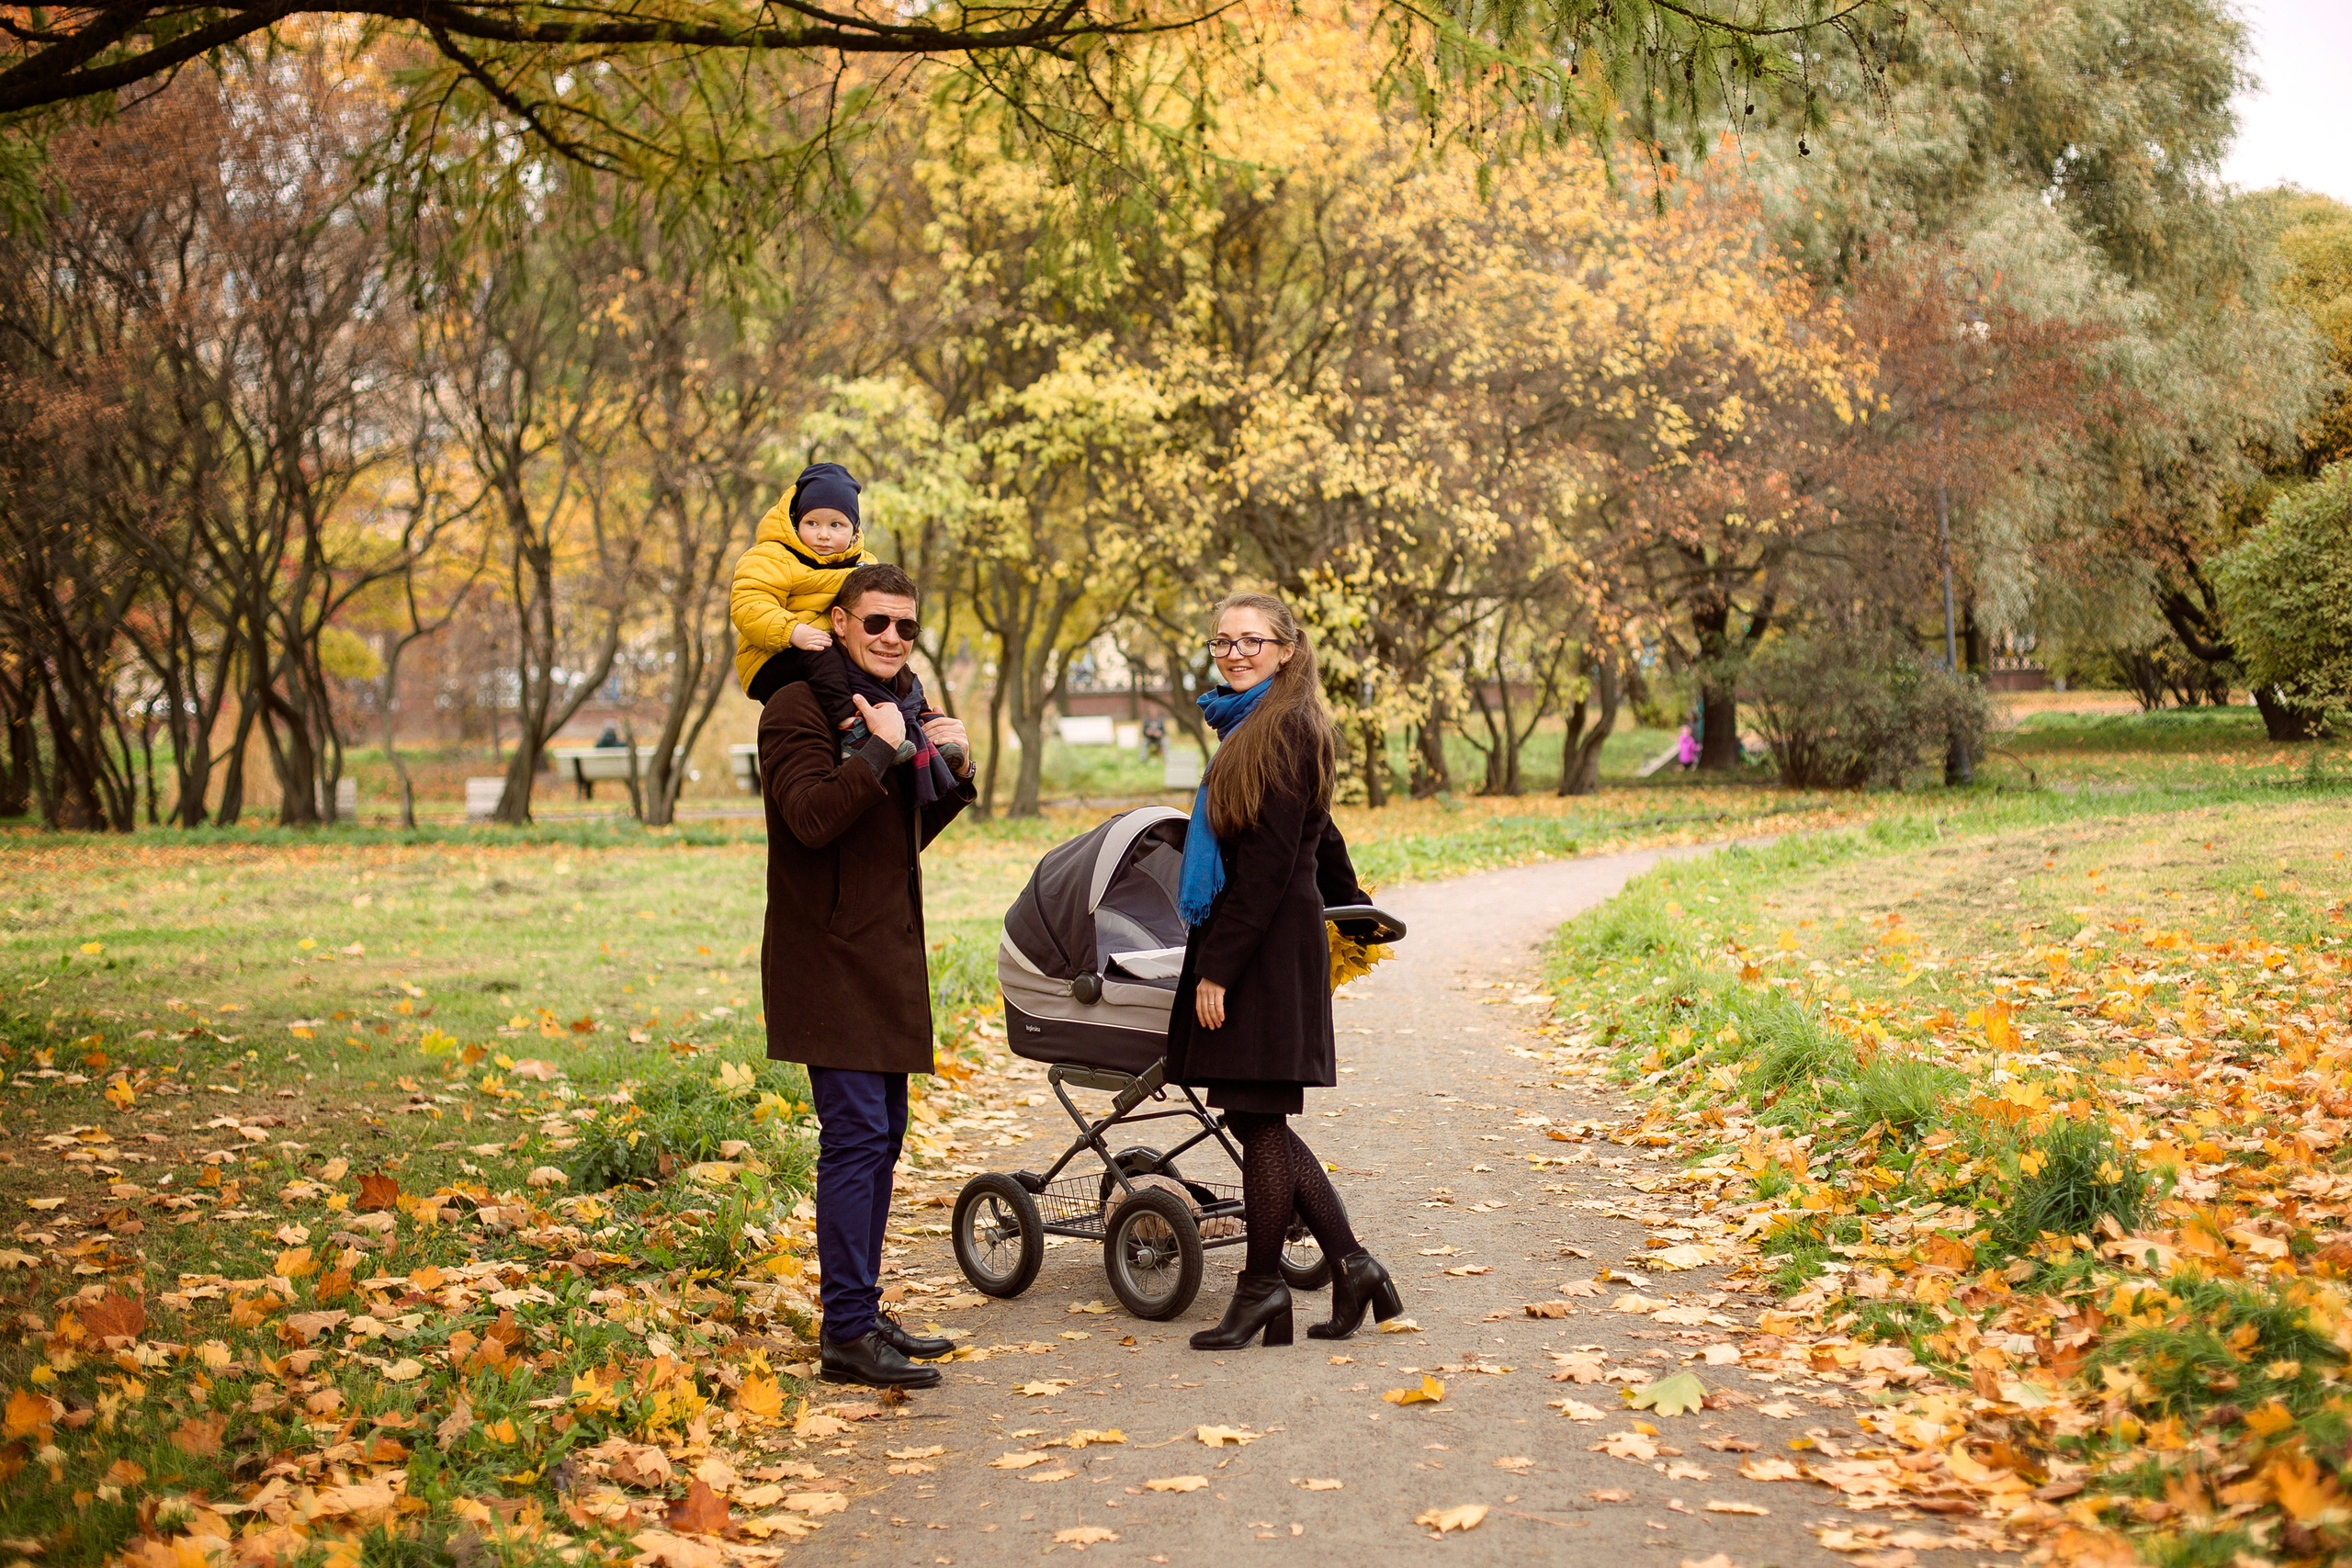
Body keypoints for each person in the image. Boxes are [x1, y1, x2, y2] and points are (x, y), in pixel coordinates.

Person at [758, 563, 978, 1389]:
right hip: (827, 959)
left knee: (881, 1141)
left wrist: (946, 767)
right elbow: (813, 820)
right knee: (854, 1143)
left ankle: (862, 1310)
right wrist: (885, 744)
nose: (892, 638)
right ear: (842, 623)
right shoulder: (797, 709)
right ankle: (846, 1333)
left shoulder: (901, 710)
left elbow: (887, 839)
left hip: (884, 956)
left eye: (906, 627)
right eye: (876, 622)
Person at [1164, 591, 1401, 1350]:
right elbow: (1319, 830)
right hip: (1263, 942)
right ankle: (1351, 1265)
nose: (1235, 653)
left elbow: (1268, 865)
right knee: (1258, 1118)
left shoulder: (1284, 728)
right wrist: (1353, 900)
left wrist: (1217, 972)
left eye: (1251, 641)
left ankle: (1264, 1289)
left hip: (1260, 950)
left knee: (1259, 1120)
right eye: (1223, 642)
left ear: (1286, 649)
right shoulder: (1260, 723)